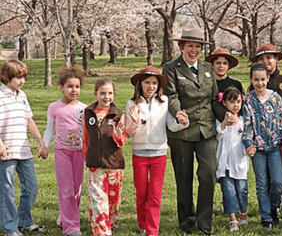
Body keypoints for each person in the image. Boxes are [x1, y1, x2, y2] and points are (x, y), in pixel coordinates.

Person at [162, 25, 219, 235]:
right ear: (181, 46)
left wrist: (228, 115)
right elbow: (171, 95)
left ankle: (205, 222)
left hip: (206, 131)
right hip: (182, 131)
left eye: (197, 47)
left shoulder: (207, 68)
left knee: (208, 174)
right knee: (183, 178)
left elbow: (214, 98)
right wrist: (178, 112)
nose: (194, 50)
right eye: (189, 46)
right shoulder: (171, 67)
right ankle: (186, 222)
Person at [125, 66, 189, 236]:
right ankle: (142, 223)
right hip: (139, 154)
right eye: (147, 83)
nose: (150, 86)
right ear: (140, 84)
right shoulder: (132, 104)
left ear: (159, 86)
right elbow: (128, 132)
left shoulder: (165, 102)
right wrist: (135, 123)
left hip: (159, 154)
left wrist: (182, 123)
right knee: (142, 192)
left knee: (154, 194)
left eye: (154, 83)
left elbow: (171, 125)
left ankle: (152, 231)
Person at [0, 59, 47, 236]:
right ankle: (10, 229)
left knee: (31, 186)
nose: (21, 81)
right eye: (18, 77)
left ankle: (24, 221)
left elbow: (29, 120)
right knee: (7, 191)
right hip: (6, 151)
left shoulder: (22, 95)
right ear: (6, 77)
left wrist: (40, 141)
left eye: (23, 78)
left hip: (23, 150)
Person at [243, 63, 282, 229]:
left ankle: (273, 208)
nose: (260, 83)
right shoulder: (248, 100)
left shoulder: (276, 98)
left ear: (268, 79)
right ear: (251, 80)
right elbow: (248, 125)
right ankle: (266, 218)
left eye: (263, 79)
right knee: (262, 183)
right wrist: (249, 144)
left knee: (278, 182)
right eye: (256, 80)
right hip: (258, 149)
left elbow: (280, 123)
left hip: (274, 147)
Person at [42, 67, 86, 236]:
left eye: (77, 86)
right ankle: (71, 227)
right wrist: (44, 146)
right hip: (62, 152)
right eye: (69, 86)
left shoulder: (84, 108)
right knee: (66, 188)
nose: (74, 90)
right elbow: (49, 130)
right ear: (61, 87)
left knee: (77, 189)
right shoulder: (54, 107)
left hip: (80, 153)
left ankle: (64, 217)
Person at [82, 78, 127, 236]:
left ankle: (111, 225)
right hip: (95, 165)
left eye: (110, 93)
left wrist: (119, 135)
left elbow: (123, 140)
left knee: (113, 201)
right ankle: (102, 231)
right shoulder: (88, 113)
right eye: (102, 93)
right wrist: (88, 157)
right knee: (98, 201)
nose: (106, 96)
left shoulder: (118, 114)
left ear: (114, 94)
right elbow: (85, 137)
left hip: (115, 165)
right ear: (96, 94)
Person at [215, 87, 249, 232]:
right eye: (232, 102)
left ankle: (243, 213)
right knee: (228, 192)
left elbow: (247, 138)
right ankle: (232, 220)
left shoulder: (244, 120)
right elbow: (218, 136)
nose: (236, 105)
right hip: (224, 164)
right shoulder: (219, 120)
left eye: (239, 102)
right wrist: (225, 123)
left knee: (241, 191)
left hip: (239, 163)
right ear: (224, 103)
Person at [205, 48, 245, 122]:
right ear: (212, 65)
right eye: (218, 63)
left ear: (229, 66)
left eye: (225, 63)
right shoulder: (207, 84)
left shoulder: (236, 84)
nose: (221, 66)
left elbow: (242, 105)